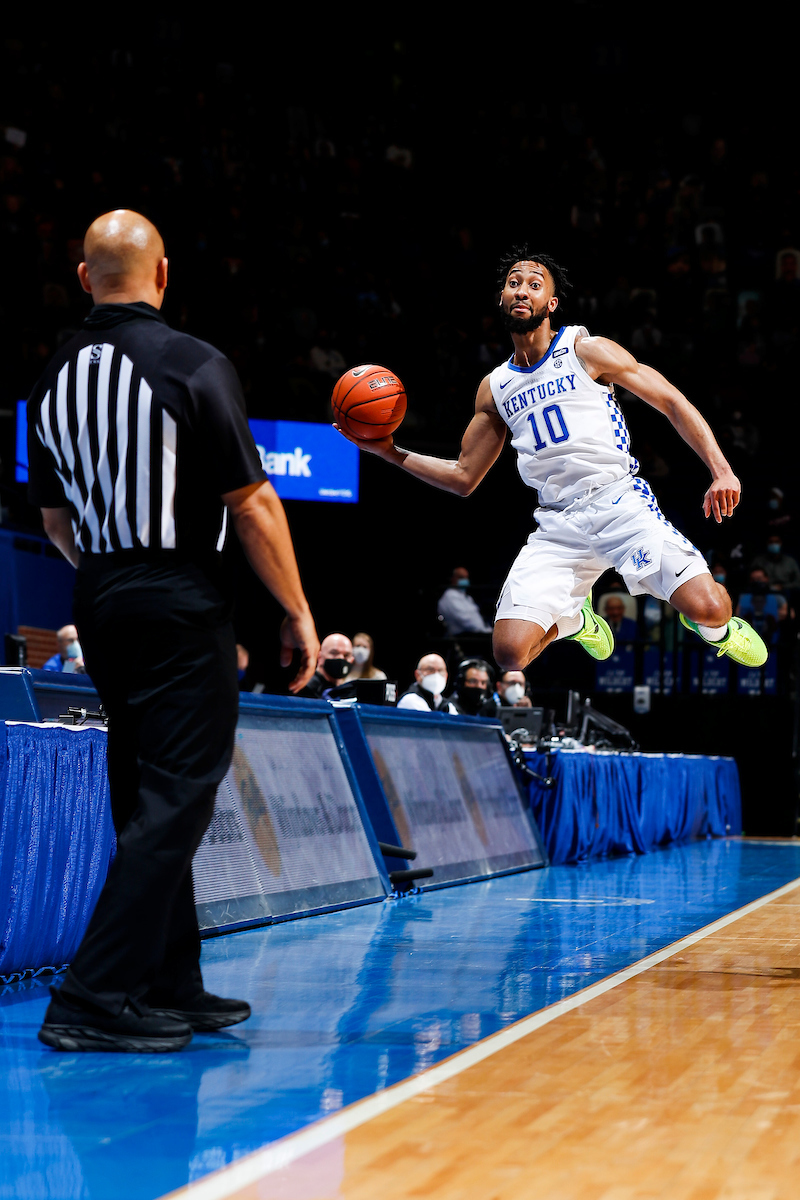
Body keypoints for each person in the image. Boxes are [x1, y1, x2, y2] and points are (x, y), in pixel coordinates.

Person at [27, 210, 319, 1053]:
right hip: (178, 596)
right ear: (162, 275)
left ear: (85, 279)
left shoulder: (50, 380)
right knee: (181, 792)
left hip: (101, 593)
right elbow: (253, 503)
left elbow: (55, 522)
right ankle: (91, 996)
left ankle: (166, 980)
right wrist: (297, 610)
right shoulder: (192, 362)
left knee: (144, 790)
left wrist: (114, 577)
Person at [334, 248, 768, 674]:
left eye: (534, 284)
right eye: (513, 283)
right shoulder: (495, 388)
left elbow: (671, 400)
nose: (522, 290)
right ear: (502, 298)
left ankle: (718, 633)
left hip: (619, 504)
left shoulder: (586, 350)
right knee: (510, 654)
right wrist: (389, 452)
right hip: (559, 524)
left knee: (711, 609)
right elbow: (463, 477)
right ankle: (578, 622)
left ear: (551, 303)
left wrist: (721, 470)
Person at [437, 567, 492, 635]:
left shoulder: (466, 597)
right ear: (453, 578)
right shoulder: (450, 596)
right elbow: (464, 620)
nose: (465, 580)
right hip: (463, 636)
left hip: (478, 633)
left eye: (466, 578)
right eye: (461, 577)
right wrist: (484, 631)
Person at [298, 632, 354, 698]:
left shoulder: (348, 692)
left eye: (346, 655)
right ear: (320, 657)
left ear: (352, 660)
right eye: (334, 653)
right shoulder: (306, 689)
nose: (341, 658)